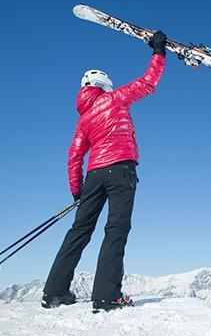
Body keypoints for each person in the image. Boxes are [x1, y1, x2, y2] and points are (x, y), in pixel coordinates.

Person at [41, 30, 167, 312]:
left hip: (94, 176)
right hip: (120, 170)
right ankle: (107, 297)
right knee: (116, 230)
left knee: (79, 231)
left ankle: (54, 292)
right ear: (104, 85)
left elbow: (74, 156)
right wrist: (158, 52)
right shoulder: (115, 99)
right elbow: (149, 83)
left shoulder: (84, 119)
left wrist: (77, 191)